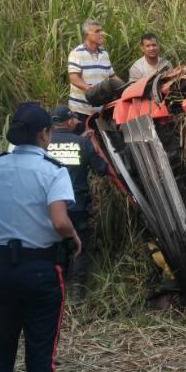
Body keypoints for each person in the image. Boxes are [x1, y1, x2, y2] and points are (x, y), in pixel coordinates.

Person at [0, 102, 83, 372]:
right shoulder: (52, 171)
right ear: (44, 134)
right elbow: (59, 220)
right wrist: (73, 236)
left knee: (0, 350)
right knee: (40, 353)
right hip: (40, 270)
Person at [47, 104, 109, 303]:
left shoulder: (43, 143)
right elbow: (102, 169)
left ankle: (56, 292)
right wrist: (91, 143)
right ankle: (77, 296)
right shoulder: (82, 143)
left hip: (48, 209)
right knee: (80, 247)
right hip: (77, 207)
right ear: (69, 120)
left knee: (53, 248)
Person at [67, 19, 115, 121]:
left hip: (101, 109)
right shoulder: (77, 53)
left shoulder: (104, 54)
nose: (102, 34)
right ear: (86, 35)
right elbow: (74, 78)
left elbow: (112, 76)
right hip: (81, 110)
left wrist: (126, 88)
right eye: (97, 31)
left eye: (101, 31)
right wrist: (91, 91)